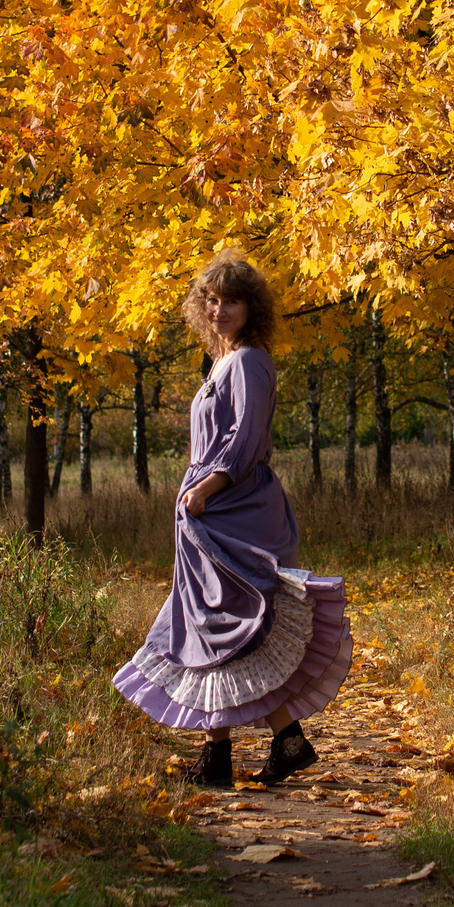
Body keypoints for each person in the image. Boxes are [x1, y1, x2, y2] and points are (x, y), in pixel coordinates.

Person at [112, 253, 351, 786]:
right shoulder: (219, 363)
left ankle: (247, 752)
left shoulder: (248, 362)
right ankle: (258, 748)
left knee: (234, 626)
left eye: (231, 301)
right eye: (211, 300)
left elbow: (245, 439)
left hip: (234, 508)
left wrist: (207, 489)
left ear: (251, 308)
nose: (219, 310)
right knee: (211, 629)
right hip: (208, 510)